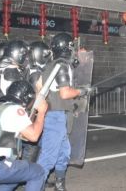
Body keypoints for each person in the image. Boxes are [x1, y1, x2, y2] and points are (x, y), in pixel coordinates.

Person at [0, 80, 48, 191]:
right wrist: (41, 113)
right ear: (27, 98)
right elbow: (34, 136)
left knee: (12, 180)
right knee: (38, 172)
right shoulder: (15, 110)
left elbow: (18, 137)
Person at [37, 33, 88, 191]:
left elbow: (39, 87)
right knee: (49, 156)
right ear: (66, 47)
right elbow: (65, 93)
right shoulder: (62, 65)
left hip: (57, 113)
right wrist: (82, 91)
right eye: (72, 46)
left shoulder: (50, 64)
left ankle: (59, 184)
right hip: (55, 115)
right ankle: (36, 186)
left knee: (63, 153)